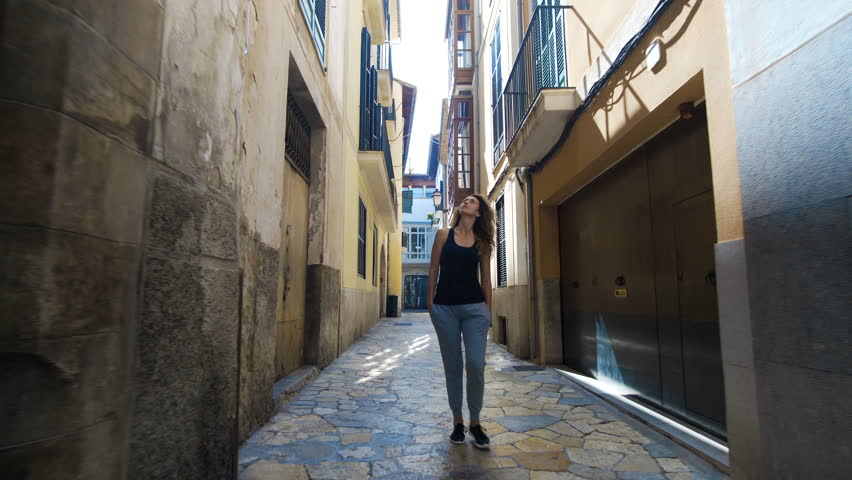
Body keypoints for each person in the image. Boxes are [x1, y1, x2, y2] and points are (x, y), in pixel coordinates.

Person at [427, 194, 494, 449]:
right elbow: (433, 269)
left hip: (475, 309)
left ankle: (475, 423)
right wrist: (430, 304)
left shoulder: (482, 241)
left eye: (472, 202)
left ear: (478, 212)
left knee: (476, 365)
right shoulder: (444, 235)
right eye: (465, 200)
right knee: (453, 367)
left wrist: (488, 310)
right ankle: (458, 422)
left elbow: (486, 279)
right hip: (445, 309)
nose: (466, 202)